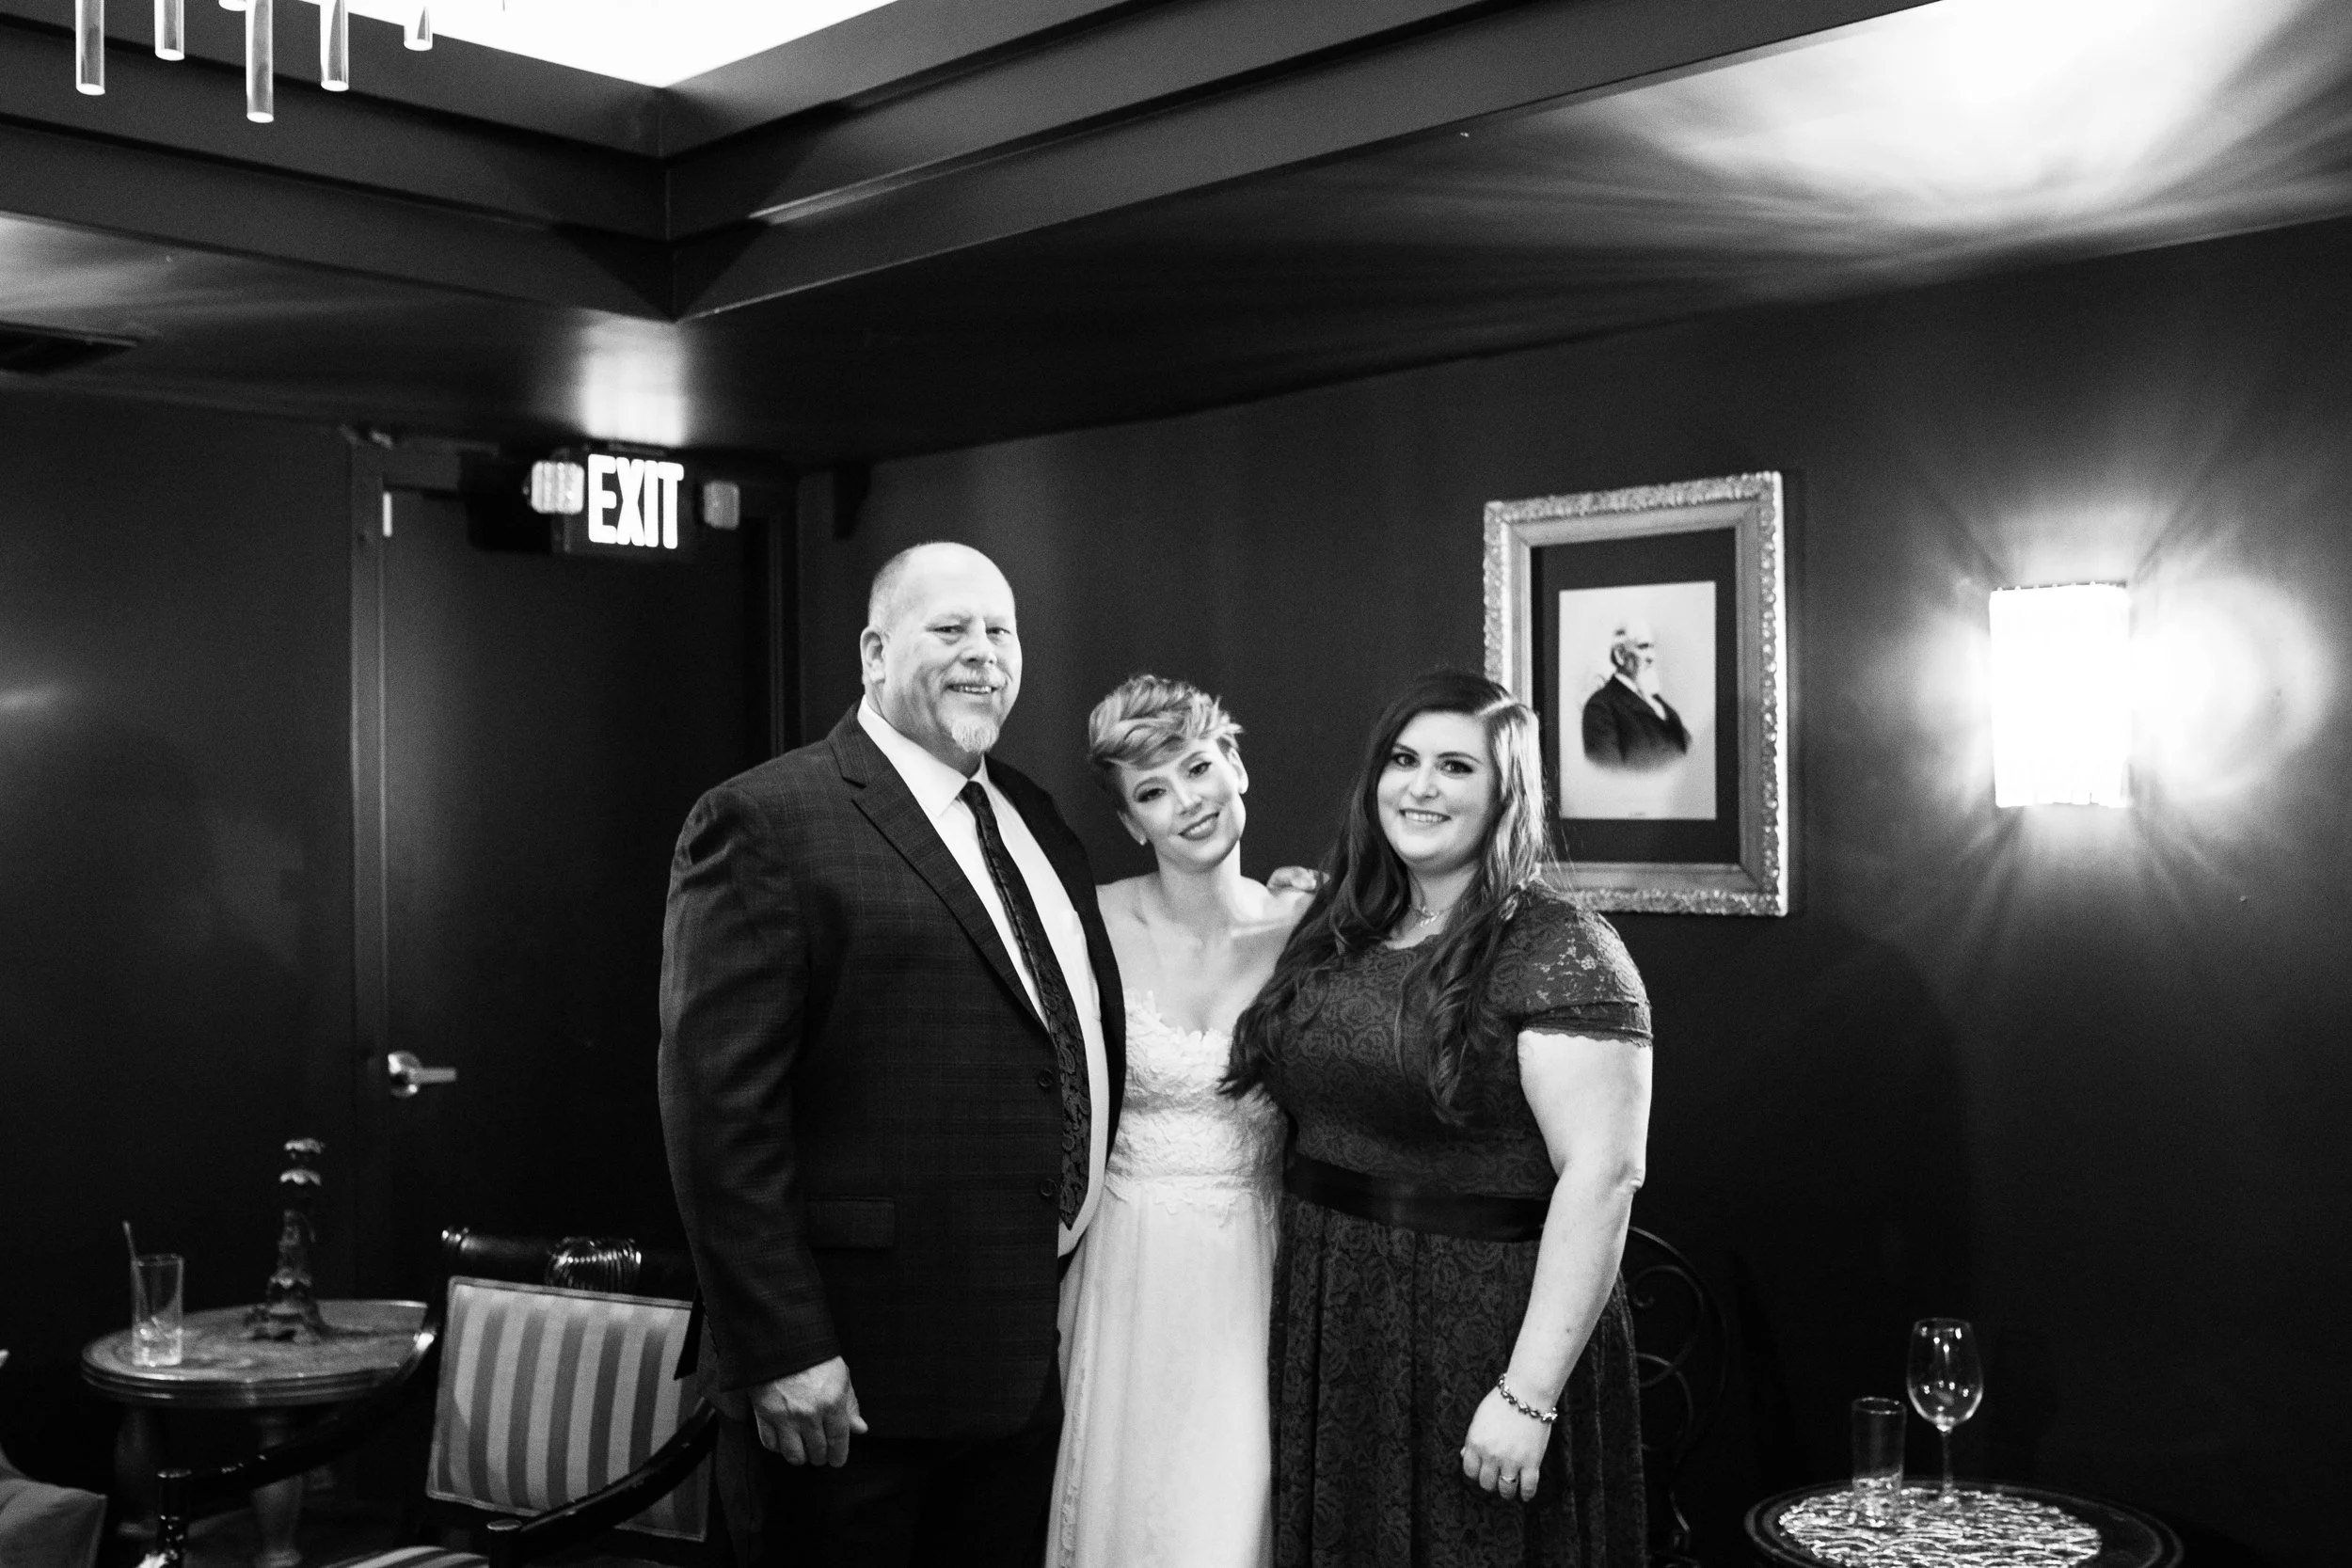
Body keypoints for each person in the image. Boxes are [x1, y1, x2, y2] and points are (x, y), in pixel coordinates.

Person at [657, 541, 1124, 1568]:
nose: (983, 654)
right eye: (948, 628)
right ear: (873, 650)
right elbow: (718, 1118)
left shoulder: (1037, 819)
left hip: (1012, 1364)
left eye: (1000, 631)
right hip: (845, 1384)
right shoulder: (768, 819)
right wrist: (783, 1346)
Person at [1230, 670, 1652, 1568]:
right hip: (1336, 1314)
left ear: (1506, 791)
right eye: (1403, 759)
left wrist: (1530, 1392)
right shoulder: (1342, 923)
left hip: (1485, 1326)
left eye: (1455, 766)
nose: (1420, 786)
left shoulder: (1562, 946)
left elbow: (1604, 1174)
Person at [1047, 675, 1308, 1568]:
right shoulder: (1088, 923)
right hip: (1128, 1265)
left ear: (1236, 764)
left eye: (1198, 767)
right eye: (1153, 791)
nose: (1188, 802)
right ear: (1131, 822)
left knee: (1231, 1514)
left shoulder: (1311, 927)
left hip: (1256, 1266)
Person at [1581, 618, 1689, 770]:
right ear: (1620, 655)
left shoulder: (1658, 704)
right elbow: (1609, 775)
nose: (1652, 657)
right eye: (1643, 646)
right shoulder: (1600, 707)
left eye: (1652, 647)